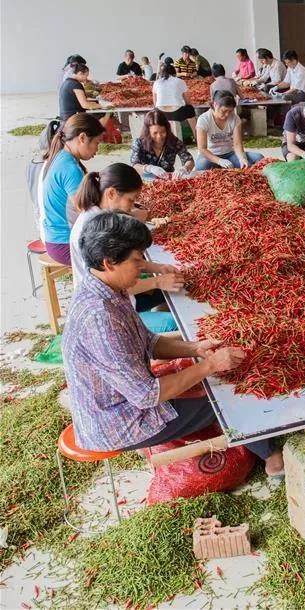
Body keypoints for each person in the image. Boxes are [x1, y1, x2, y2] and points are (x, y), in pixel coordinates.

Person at [62, 211, 284, 476]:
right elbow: (146, 395)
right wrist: (210, 365)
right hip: (120, 422)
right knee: (227, 399)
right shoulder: (100, 318)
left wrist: (195, 348)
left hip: (123, 401)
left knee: (215, 380)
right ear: (109, 262)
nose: (142, 266)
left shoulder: (105, 288)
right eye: (136, 260)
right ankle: (271, 454)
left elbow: (148, 342)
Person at [69, 164, 184, 331]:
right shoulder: (96, 229)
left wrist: (159, 268)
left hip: (120, 295)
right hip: (107, 312)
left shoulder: (101, 215)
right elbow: (115, 282)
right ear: (111, 193)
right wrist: (157, 281)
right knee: (174, 325)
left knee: (177, 287)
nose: (131, 207)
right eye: (130, 200)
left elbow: (124, 260)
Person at [39, 113, 105, 265]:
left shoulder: (61, 156)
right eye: (96, 142)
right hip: (65, 244)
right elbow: (87, 213)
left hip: (54, 239)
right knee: (122, 253)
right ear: (82, 138)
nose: (97, 149)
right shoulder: (70, 168)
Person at [195, 93, 263, 170]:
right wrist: (219, 161)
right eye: (224, 111)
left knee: (259, 158)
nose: (227, 114)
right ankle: (218, 165)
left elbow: (237, 144)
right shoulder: (204, 119)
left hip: (229, 154)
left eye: (230, 111)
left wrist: (242, 158)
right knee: (202, 166)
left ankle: (221, 166)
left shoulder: (235, 118)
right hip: (211, 155)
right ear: (215, 105)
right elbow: (202, 149)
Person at [130, 110, 195, 180]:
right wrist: (148, 168)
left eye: (163, 132)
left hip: (168, 179)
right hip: (146, 180)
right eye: (155, 133)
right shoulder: (139, 143)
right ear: (148, 131)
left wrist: (184, 168)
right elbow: (134, 166)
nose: (159, 136)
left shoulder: (174, 142)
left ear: (167, 129)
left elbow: (189, 160)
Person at [152, 63, 198, 138]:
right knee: (190, 110)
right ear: (174, 73)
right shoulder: (180, 81)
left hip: (161, 114)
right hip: (177, 113)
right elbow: (188, 101)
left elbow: (155, 103)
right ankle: (196, 136)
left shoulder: (156, 82)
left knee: (155, 110)